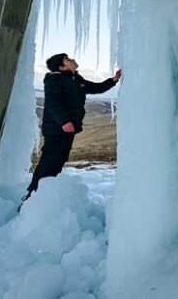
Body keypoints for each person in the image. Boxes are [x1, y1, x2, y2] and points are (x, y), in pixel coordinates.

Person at [18, 53, 122, 210]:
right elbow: (53, 103)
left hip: (67, 129)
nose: (72, 60)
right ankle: (32, 197)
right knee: (49, 160)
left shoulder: (75, 78)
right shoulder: (54, 80)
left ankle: (48, 192)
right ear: (62, 67)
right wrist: (64, 121)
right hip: (56, 128)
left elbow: (94, 87)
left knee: (60, 159)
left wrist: (113, 81)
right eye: (67, 59)